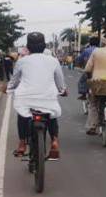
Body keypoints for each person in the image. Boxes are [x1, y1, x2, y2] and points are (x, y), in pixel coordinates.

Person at [6, 32, 67, 160]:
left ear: (28, 46)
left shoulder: (22, 61)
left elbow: (14, 81)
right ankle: (54, 141)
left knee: (22, 115)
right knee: (51, 115)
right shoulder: (53, 61)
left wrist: (8, 89)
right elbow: (60, 81)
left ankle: (22, 144)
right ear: (44, 45)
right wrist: (62, 90)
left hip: (26, 98)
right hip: (48, 97)